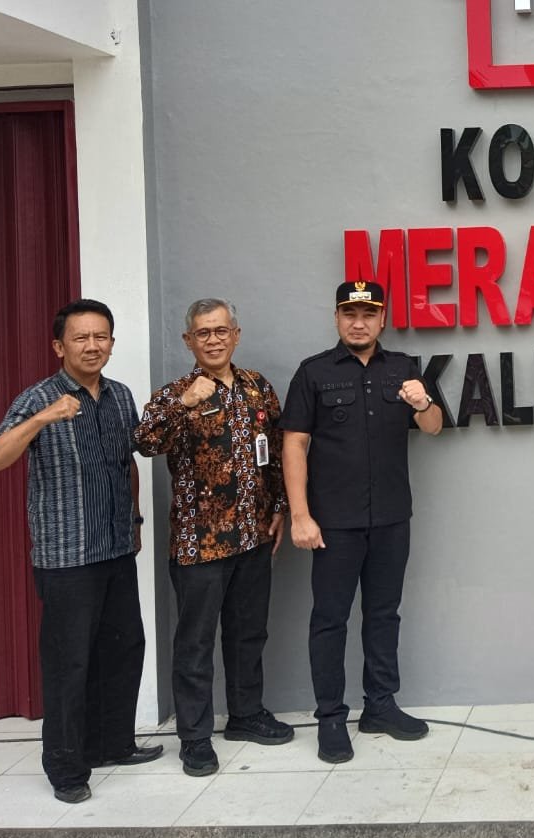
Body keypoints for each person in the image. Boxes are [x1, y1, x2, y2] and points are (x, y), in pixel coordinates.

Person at [0, 299, 161, 803]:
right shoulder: (39, 397)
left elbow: (127, 462)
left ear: (112, 343)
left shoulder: (120, 395)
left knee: (123, 650)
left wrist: (135, 519)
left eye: (101, 336)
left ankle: (113, 744)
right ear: (60, 346)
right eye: (81, 338)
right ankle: (65, 768)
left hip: (116, 547)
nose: (92, 346)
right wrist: (44, 418)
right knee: (70, 664)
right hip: (67, 557)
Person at [281, 279, 444, 763]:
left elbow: (433, 427)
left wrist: (422, 402)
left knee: (384, 614)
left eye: (368, 314)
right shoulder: (313, 372)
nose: (358, 323)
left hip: (391, 517)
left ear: (382, 319)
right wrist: (300, 515)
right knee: (330, 620)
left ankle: (380, 705)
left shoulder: (404, 368)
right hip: (333, 523)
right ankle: (331, 718)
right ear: (336, 318)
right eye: (349, 314)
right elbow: (294, 444)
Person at [134, 299, 293, 778]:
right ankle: (195, 737)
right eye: (203, 333)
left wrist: (281, 506)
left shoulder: (257, 387)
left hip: (253, 536)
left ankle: (245, 714)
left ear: (236, 335)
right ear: (189, 341)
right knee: (195, 644)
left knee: (249, 634)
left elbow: (277, 450)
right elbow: (144, 441)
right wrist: (184, 405)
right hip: (199, 544)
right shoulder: (173, 394)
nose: (214, 339)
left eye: (221, 330)